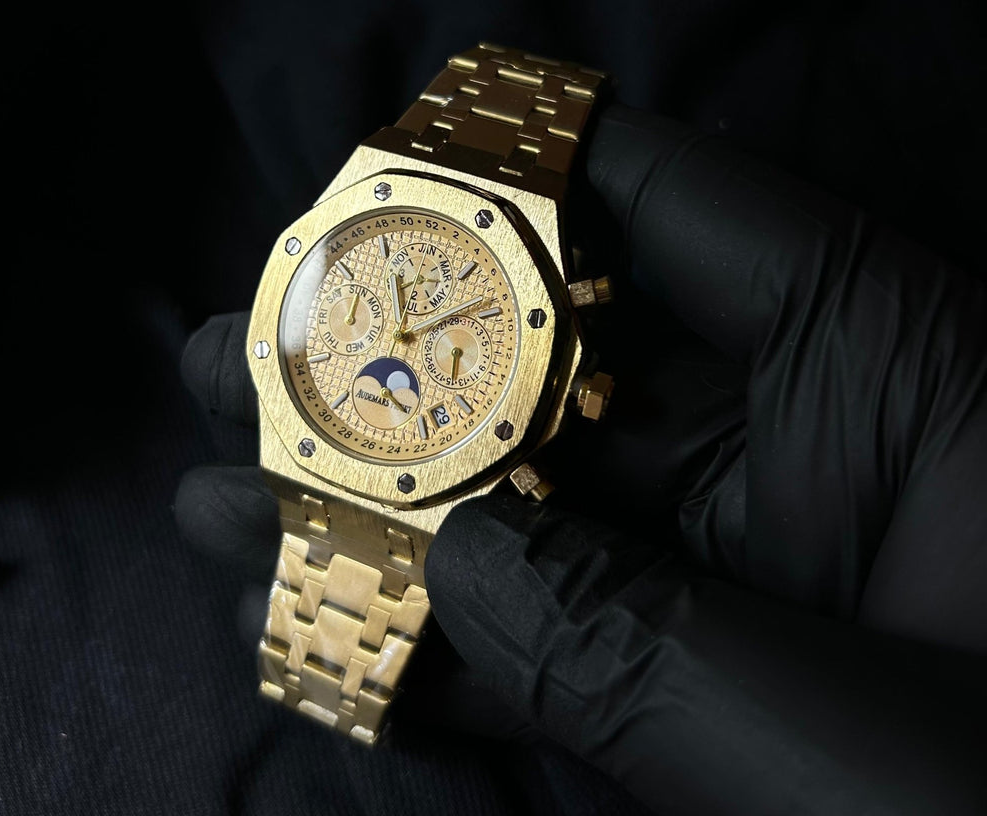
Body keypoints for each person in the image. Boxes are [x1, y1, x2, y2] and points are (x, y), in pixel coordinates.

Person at [176, 103, 987, 814]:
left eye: (423, 334)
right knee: (313, 632)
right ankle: (325, 670)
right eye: (395, 327)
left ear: (577, 388)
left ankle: (326, 673)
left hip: (459, 456)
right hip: (348, 411)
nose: (404, 338)